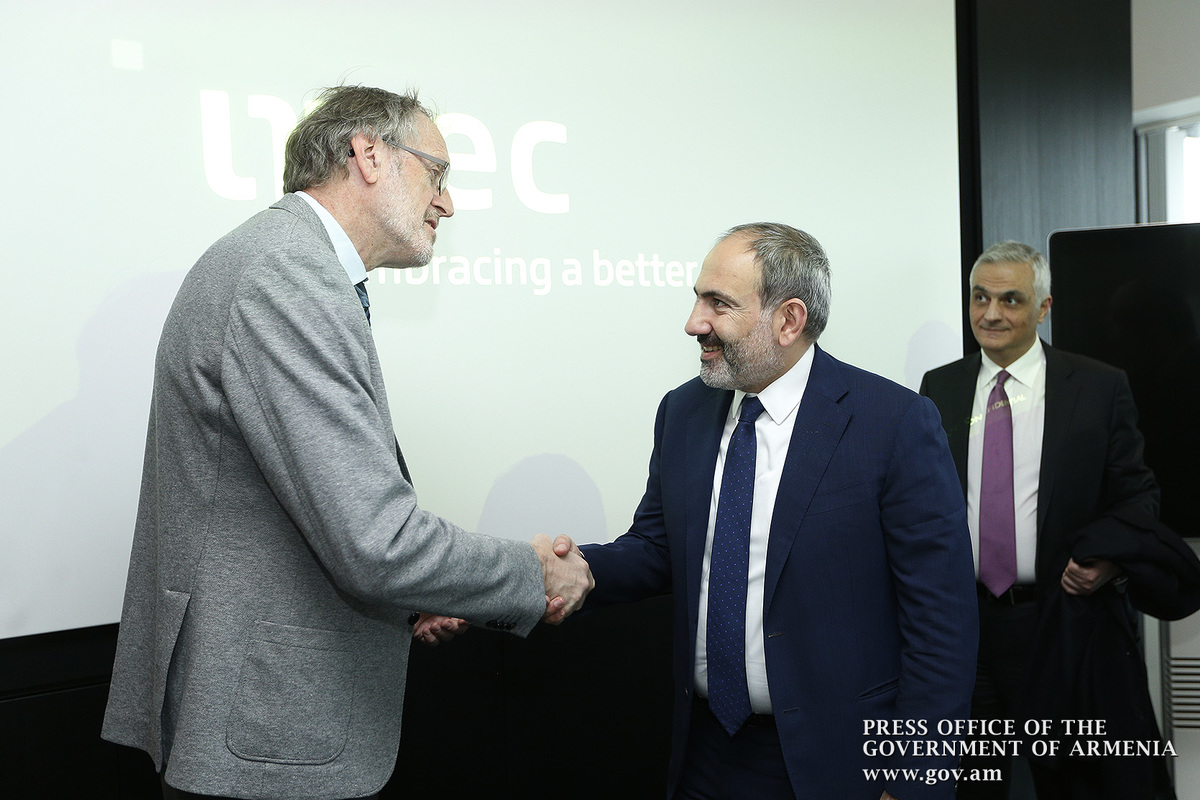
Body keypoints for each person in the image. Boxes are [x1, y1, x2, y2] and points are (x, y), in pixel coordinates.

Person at [100, 85, 592, 800]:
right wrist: (532, 573)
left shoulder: (286, 264)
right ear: (368, 154)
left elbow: (302, 513)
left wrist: (423, 594)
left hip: (261, 724)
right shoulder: (285, 276)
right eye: (437, 173)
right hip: (262, 736)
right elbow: (375, 543)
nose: (448, 203)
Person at [577, 223, 978, 800]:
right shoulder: (683, 411)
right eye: (697, 298)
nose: (693, 322)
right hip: (704, 752)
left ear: (789, 320)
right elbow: (658, 549)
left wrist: (914, 781)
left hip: (840, 762)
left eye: (718, 303)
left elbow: (943, 624)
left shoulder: (893, 423)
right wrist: (560, 573)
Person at [919, 241, 1165, 799]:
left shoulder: (1098, 387)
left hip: (1061, 623)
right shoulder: (940, 387)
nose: (990, 313)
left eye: (1010, 299)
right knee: (972, 786)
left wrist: (1107, 561)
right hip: (966, 631)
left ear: (1043, 307)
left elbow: (1137, 497)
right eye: (979, 298)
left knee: (1071, 784)